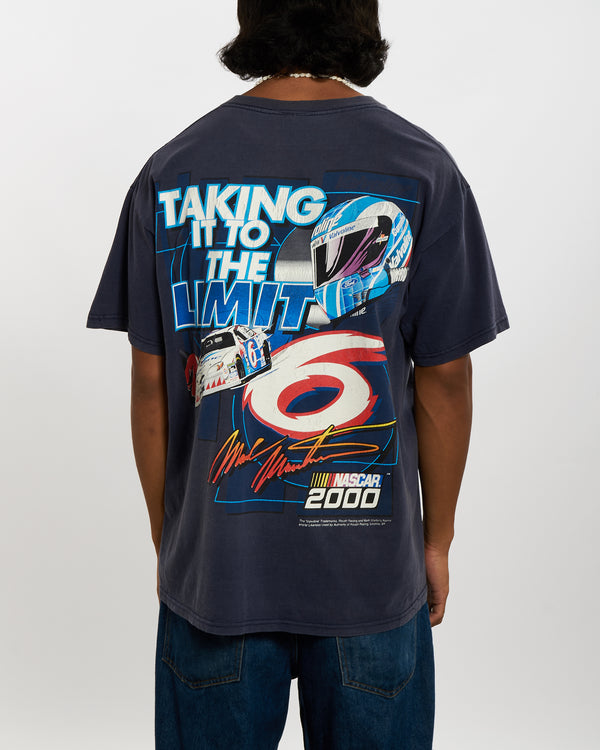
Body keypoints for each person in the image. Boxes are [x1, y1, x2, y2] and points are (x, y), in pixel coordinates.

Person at [87, 1, 508, 747]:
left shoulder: (174, 169)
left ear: (250, 15)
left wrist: (173, 543)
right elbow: (445, 380)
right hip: (370, 568)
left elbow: (151, 385)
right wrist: (436, 542)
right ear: (361, 19)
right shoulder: (421, 166)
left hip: (218, 572)